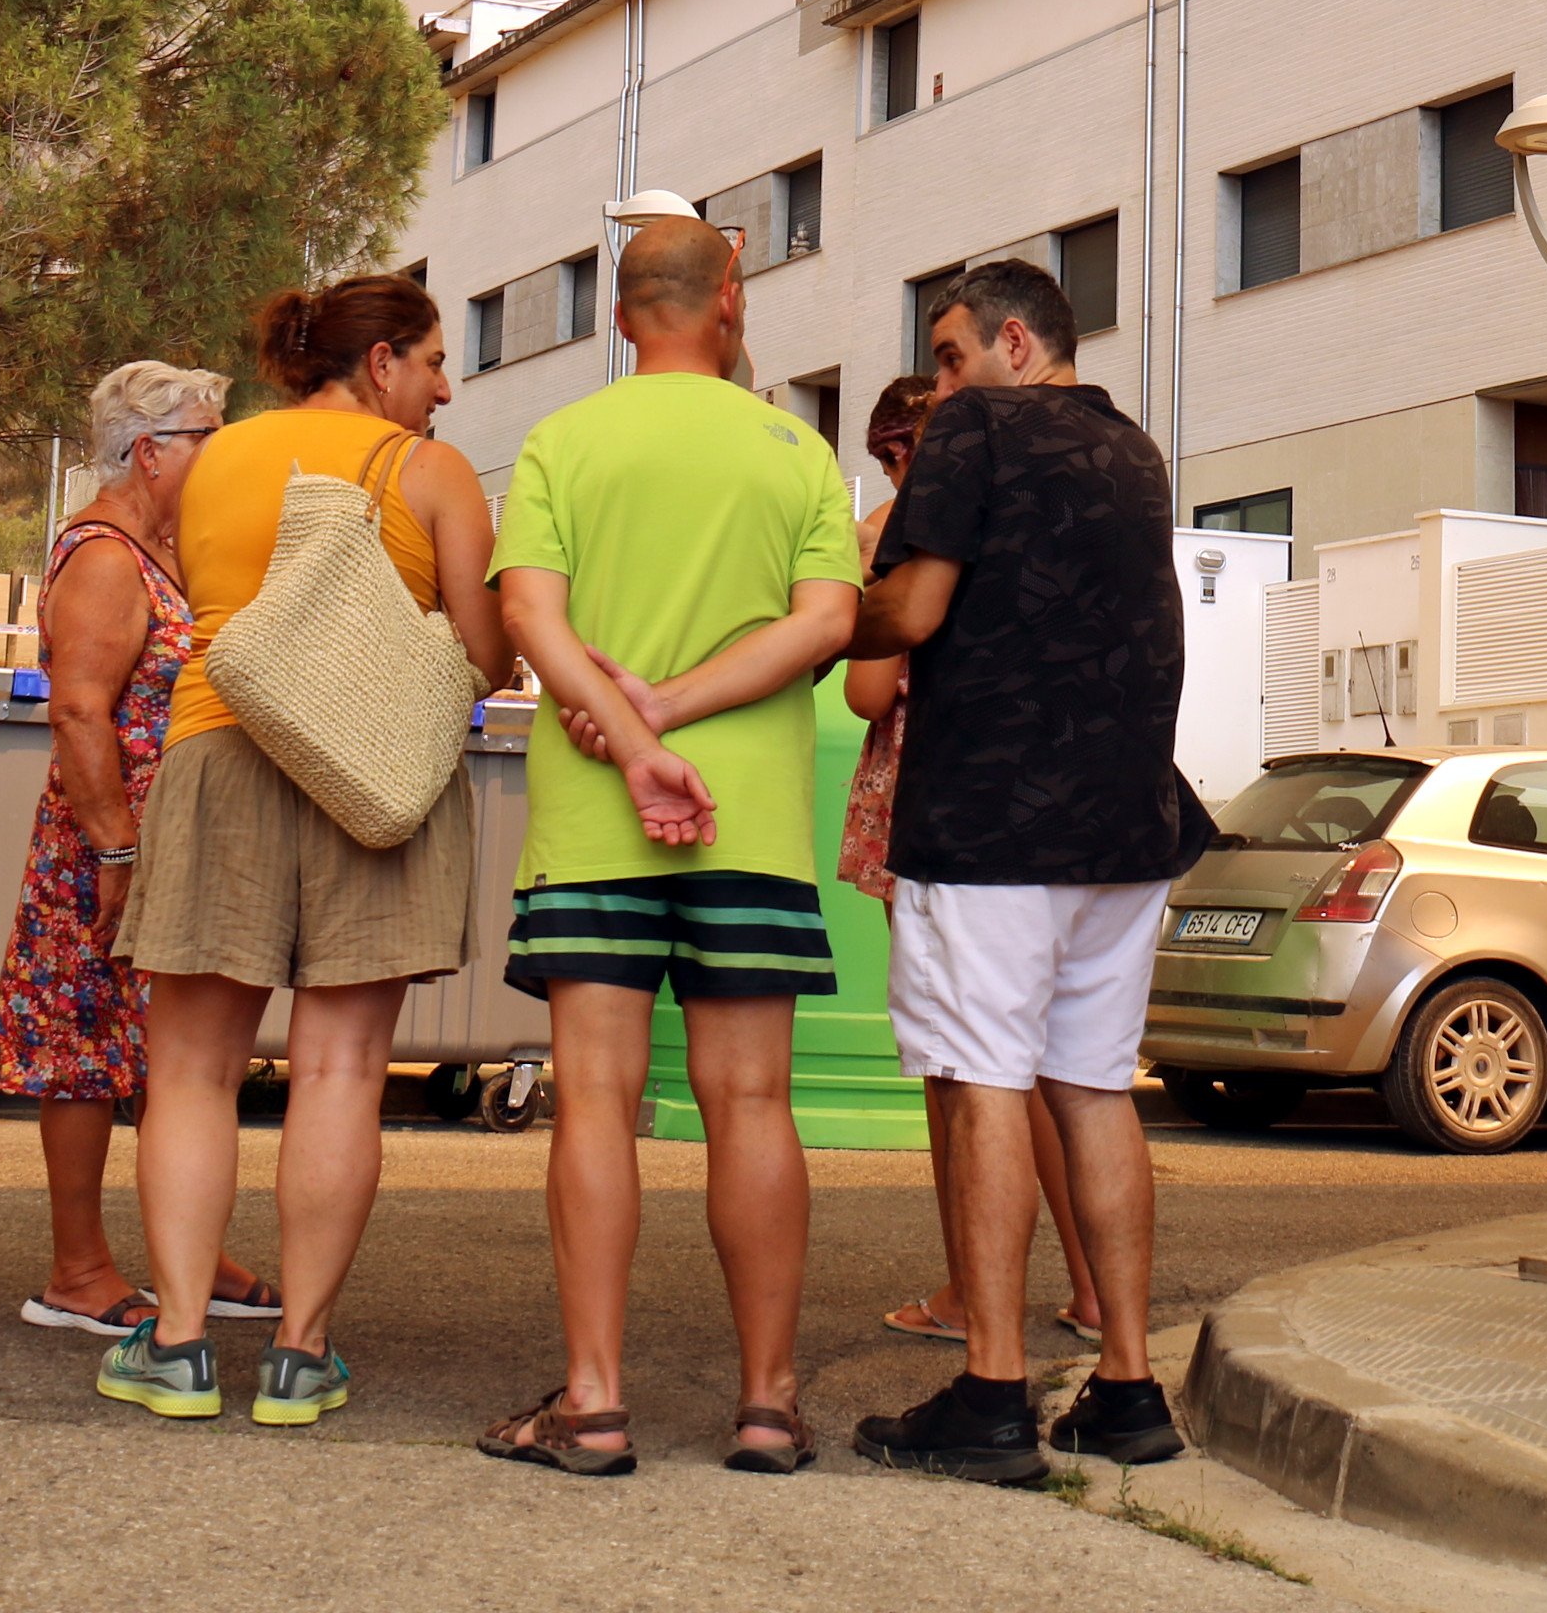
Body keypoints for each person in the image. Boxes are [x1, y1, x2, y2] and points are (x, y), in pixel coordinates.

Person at [95, 272, 516, 1430]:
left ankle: (177, 1344)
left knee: (190, 1070)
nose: (443, 386)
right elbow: (483, 654)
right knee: (339, 1072)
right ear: (379, 364)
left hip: (219, 750)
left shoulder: (213, 457)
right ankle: (298, 1353)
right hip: (370, 774)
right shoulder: (431, 475)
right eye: (432, 361)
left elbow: (202, 595)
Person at [484, 218, 863, 1478]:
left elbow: (528, 611)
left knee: (593, 1099)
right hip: (747, 820)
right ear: (732, 299)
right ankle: (767, 1403)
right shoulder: (795, 450)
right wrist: (682, 713)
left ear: (620, 313)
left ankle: (593, 1403)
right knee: (751, 1101)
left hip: (597, 816)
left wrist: (619, 720)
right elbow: (827, 623)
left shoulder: (564, 440)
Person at [848, 256, 1206, 1484]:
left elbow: (911, 614)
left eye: (947, 356)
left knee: (981, 1078)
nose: (936, 386)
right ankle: (1125, 1385)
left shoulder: (977, 427)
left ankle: (993, 1389)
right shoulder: (1132, 447)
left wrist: (811, 608)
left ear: (1011, 340)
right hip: (1127, 821)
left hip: (994, 815)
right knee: (1094, 1087)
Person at [0, 359, 283, 1340]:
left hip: (179, 845)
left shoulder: (173, 547)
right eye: (210, 433)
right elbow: (79, 709)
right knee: (82, 1051)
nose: (225, 449)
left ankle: (184, 1251)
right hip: (107, 847)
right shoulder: (107, 555)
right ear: (150, 451)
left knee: (175, 1053)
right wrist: (117, 849)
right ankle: (76, 1268)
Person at [851, 371, 1109, 1358]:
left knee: (959, 1063)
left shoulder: (892, 528)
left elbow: (870, 694)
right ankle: (1089, 1289)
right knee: (1054, 1058)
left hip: (929, 793)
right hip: (1040, 785)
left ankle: (971, 1291)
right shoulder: (1034, 503)